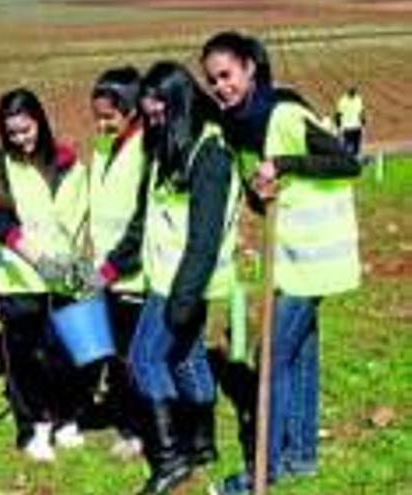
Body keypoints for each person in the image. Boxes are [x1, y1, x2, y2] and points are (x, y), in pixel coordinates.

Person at [202, 31, 362, 495]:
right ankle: (301, 456)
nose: (220, 87)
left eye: (227, 75)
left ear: (250, 68)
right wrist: (260, 189)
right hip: (290, 255)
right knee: (302, 353)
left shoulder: (285, 112)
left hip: (318, 255)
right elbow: (259, 199)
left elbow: (345, 163)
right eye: (213, 81)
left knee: (270, 354)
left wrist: (285, 164)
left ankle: (263, 472)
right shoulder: (238, 127)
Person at [125, 61, 241, 495]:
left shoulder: (209, 154)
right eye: (148, 115)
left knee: (144, 359)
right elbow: (153, 219)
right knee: (188, 357)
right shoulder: (172, 147)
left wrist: (181, 300)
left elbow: (204, 240)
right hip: (167, 278)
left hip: (183, 284)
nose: (153, 122)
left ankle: (171, 459)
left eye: (159, 115)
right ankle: (202, 443)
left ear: (180, 104)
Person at [0, 88, 90, 462]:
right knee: (23, 359)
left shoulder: (70, 163)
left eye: (26, 129)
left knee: (67, 353)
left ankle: (67, 416)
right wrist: (35, 257)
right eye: (12, 134)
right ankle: (35, 426)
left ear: (40, 121)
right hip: (19, 280)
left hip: (67, 278)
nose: (21, 139)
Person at [85, 66, 149, 459]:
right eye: (98, 116)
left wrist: (112, 267)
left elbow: (143, 224)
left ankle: (137, 430)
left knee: (133, 358)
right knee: (113, 353)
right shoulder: (105, 148)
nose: (102, 124)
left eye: (109, 116)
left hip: (133, 276)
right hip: (104, 274)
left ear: (133, 110)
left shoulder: (148, 153)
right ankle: (123, 418)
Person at [334, 86, 365, 156]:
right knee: (350, 147)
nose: (353, 94)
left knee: (354, 147)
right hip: (349, 127)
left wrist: (338, 126)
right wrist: (338, 126)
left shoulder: (357, 99)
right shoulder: (344, 100)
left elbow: (361, 113)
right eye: (352, 93)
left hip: (354, 127)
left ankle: (351, 160)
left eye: (353, 93)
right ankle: (350, 160)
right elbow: (338, 115)